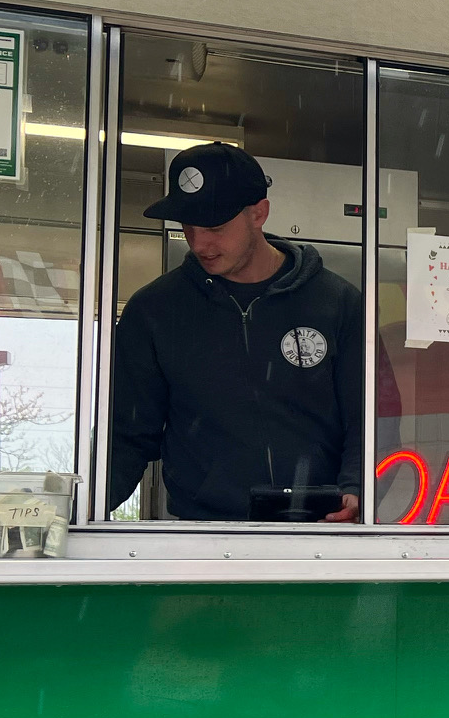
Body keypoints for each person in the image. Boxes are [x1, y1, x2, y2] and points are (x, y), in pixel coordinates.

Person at [109, 143, 363, 521]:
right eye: (188, 226)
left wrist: (358, 489)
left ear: (258, 213)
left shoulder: (338, 302)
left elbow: (370, 419)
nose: (199, 243)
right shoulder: (154, 311)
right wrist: (77, 514)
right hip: (203, 536)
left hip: (321, 531)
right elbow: (127, 435)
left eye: (214, 226)